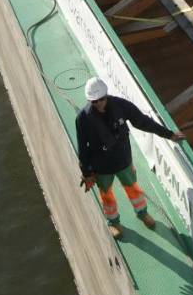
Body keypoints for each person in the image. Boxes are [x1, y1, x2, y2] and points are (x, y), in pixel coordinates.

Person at [76, 77, 185, 239]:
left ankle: (142, 213)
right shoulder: (83, 119)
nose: (99, 103)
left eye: (102, 99)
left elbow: (142, 122)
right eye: (94, 101)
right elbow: (82, 148)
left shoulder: (121, 105)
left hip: (123, 161)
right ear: (89, 100)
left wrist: (169, 134)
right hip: (101, 166)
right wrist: (86, 172)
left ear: (107, 95)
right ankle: (114, 222)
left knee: (133, 188)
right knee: (106, 195)